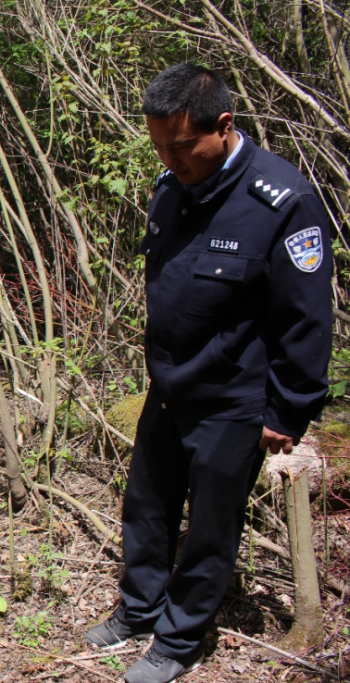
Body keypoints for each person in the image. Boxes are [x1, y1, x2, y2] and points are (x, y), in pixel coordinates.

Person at [84, 64, 333, 683]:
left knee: (209, 528)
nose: (168, 158)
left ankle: (179, 640)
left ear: (223, 126)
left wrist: (288, 409)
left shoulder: (282, 200)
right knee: (146, 505)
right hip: (171, 387)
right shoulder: (171, 190)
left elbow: (306, 318)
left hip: (234, 399)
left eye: (180, 145)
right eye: (158, 146)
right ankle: (139, 609)